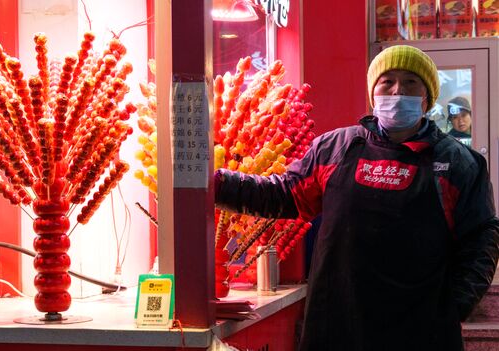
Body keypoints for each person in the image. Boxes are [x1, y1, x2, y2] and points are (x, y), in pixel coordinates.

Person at [214, 45, 499, 351]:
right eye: (387, 81)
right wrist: (213, 183)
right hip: (336, 325)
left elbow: (481, 238)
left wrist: (454, 307)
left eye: (410, 82)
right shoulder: (334, 148)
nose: (397, 90)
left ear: (427, 97)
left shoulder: (458, 163)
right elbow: (281, 194)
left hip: (421, 331)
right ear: (372, 92)